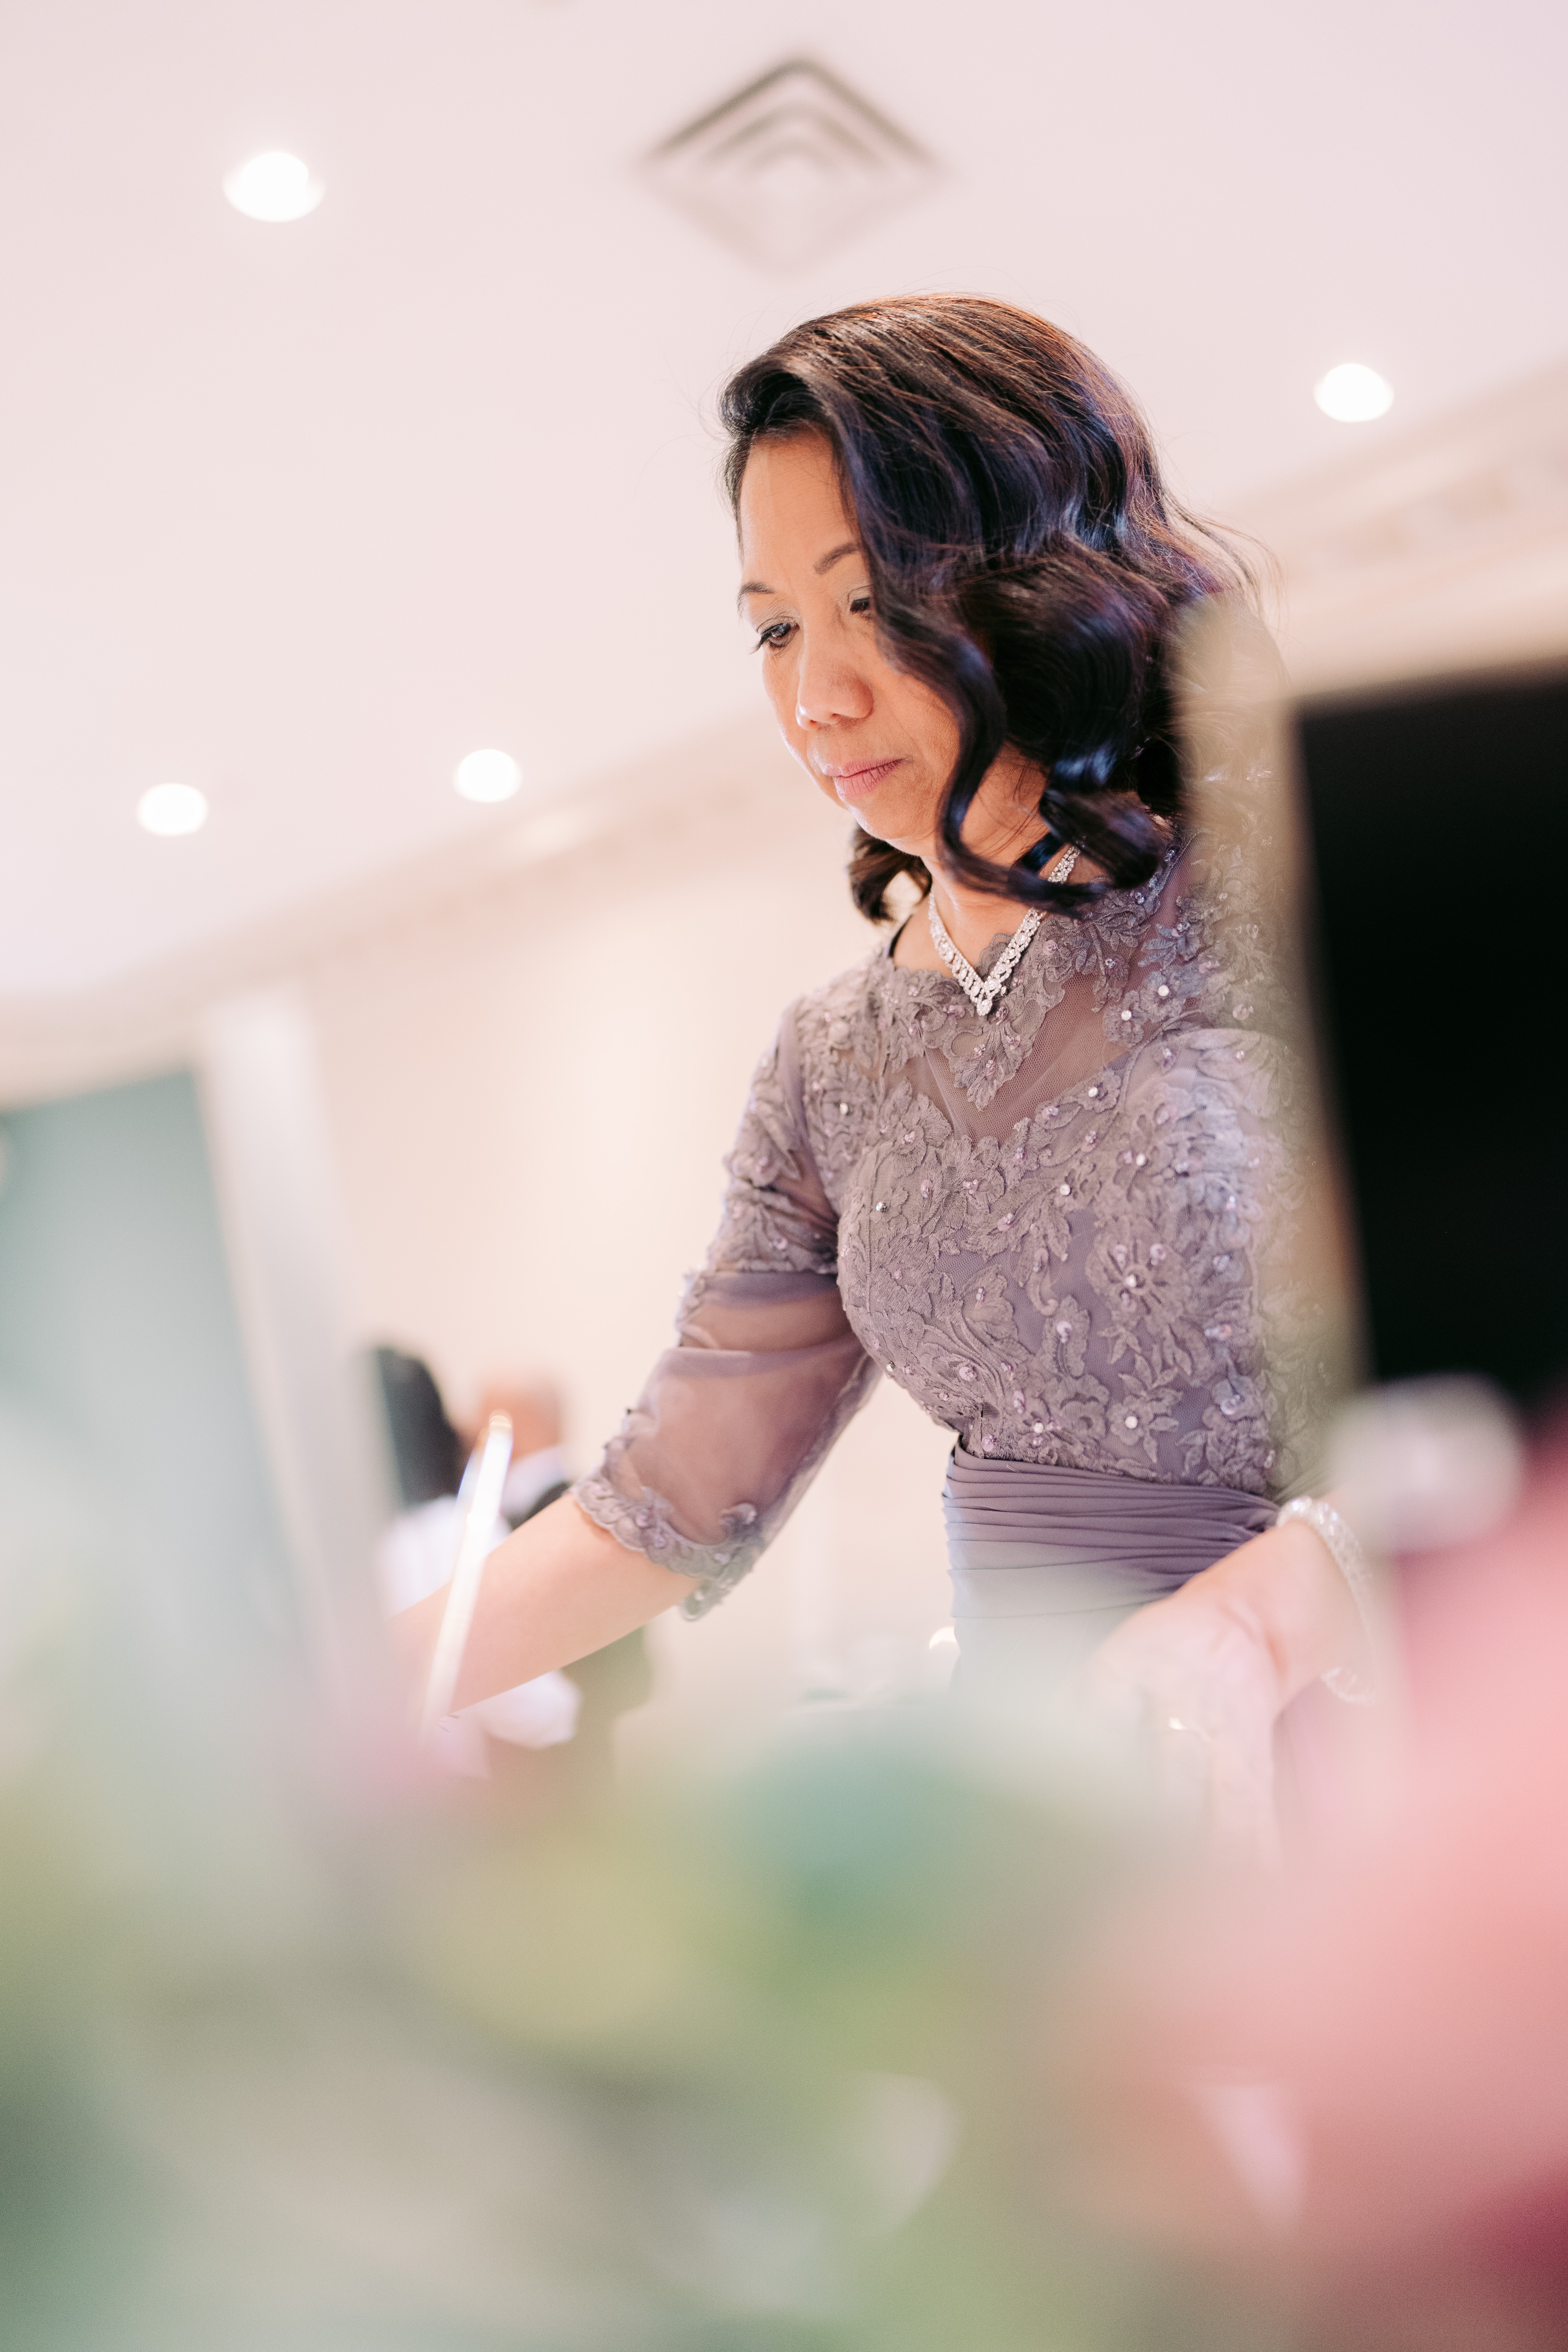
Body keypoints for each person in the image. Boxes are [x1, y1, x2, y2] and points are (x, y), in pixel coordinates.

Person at [395, 297, 1371, 1848]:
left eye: (875, 604)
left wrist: (1257, 1624)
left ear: (1041, 583)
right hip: (1058, 1798)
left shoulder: (1298, 889)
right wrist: (331, 1700)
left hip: (1375, 1731)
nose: (818, 697)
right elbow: (666, 1499)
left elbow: (1515, 1379)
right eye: (777, 626)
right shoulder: (832, 1061)